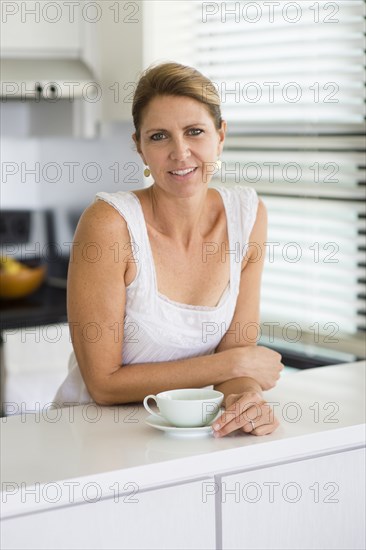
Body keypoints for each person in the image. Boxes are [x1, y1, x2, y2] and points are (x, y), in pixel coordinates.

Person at [54, 61, 283, 437]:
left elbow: (236, 362)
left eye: (195, 132)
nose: (180, 152)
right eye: (159, 136)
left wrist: (247, 401)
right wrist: (238, 363)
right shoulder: (109, 224)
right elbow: (104, 385)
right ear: (140, 148)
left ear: (221, 136)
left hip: (184, 435)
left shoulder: (247, 216)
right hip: (90, 438)